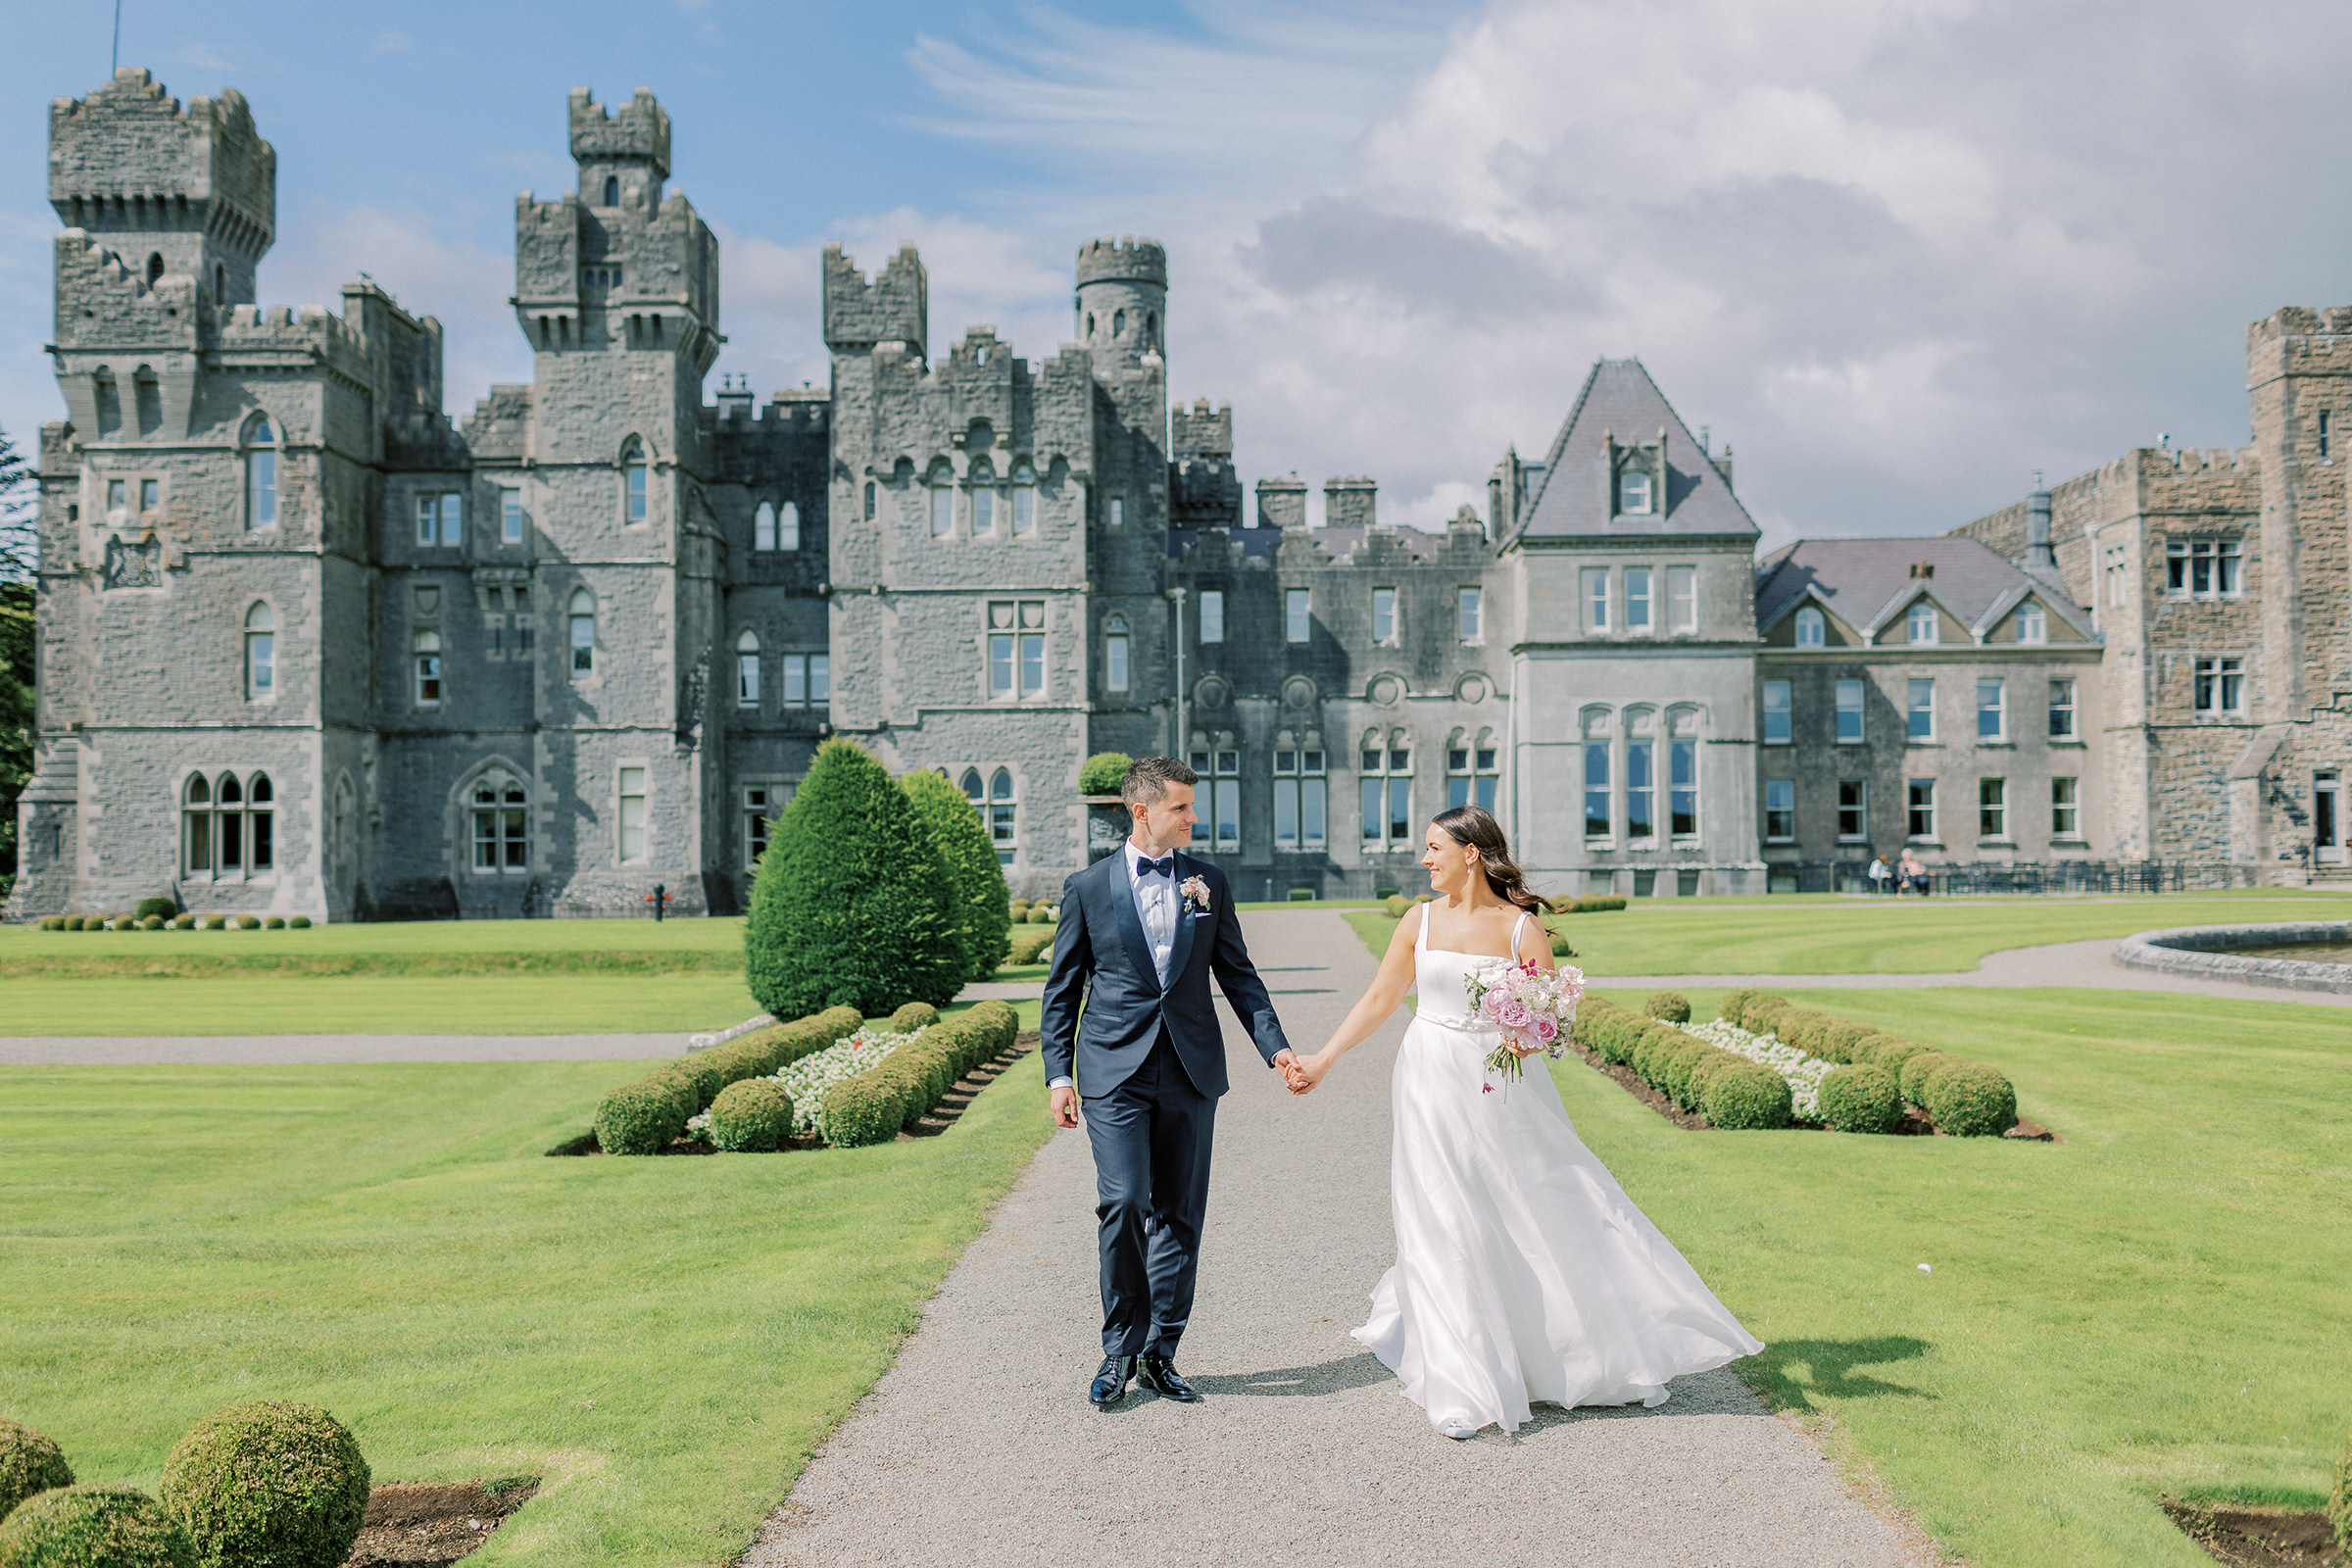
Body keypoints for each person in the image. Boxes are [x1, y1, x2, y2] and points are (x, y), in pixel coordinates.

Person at [1288, 805, 1761, 1439]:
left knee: (1527, 1206)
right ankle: (1464, 1381)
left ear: (1471, 853)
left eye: (1434, 848)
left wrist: (1526, 1037)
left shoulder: (1521, 929)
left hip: (1497, 1087)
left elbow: (1545, 1021)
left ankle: (1560, 1347)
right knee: (1439, 1215)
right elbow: (1381, 997)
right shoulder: (1417, 920)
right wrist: (1323, 1058)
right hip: (1428, 1078)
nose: (1424, 859)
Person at [1041, 756, 1298, 1409]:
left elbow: (1239, 975)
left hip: (1190, 1069)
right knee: (1125, 1202)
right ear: (1142, 811)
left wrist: (1278, 1050)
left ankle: (1160, 1351)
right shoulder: (1088, 887)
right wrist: (1057, 1075)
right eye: (1181, 807)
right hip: (1112, 1070)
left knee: (1181, 1216)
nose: (1192, 817)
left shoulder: (1208, 882)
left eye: (1191, 806)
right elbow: (1062, 991)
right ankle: (1118, 1348)